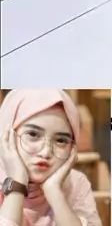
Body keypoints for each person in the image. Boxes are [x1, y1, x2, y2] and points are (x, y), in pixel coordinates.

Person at [0, 89, 102, 226]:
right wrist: (17, 183)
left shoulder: (75, 183)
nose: (46, 152)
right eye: (33, 134)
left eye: (61, 140)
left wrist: (54, 191)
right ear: (7, 136)